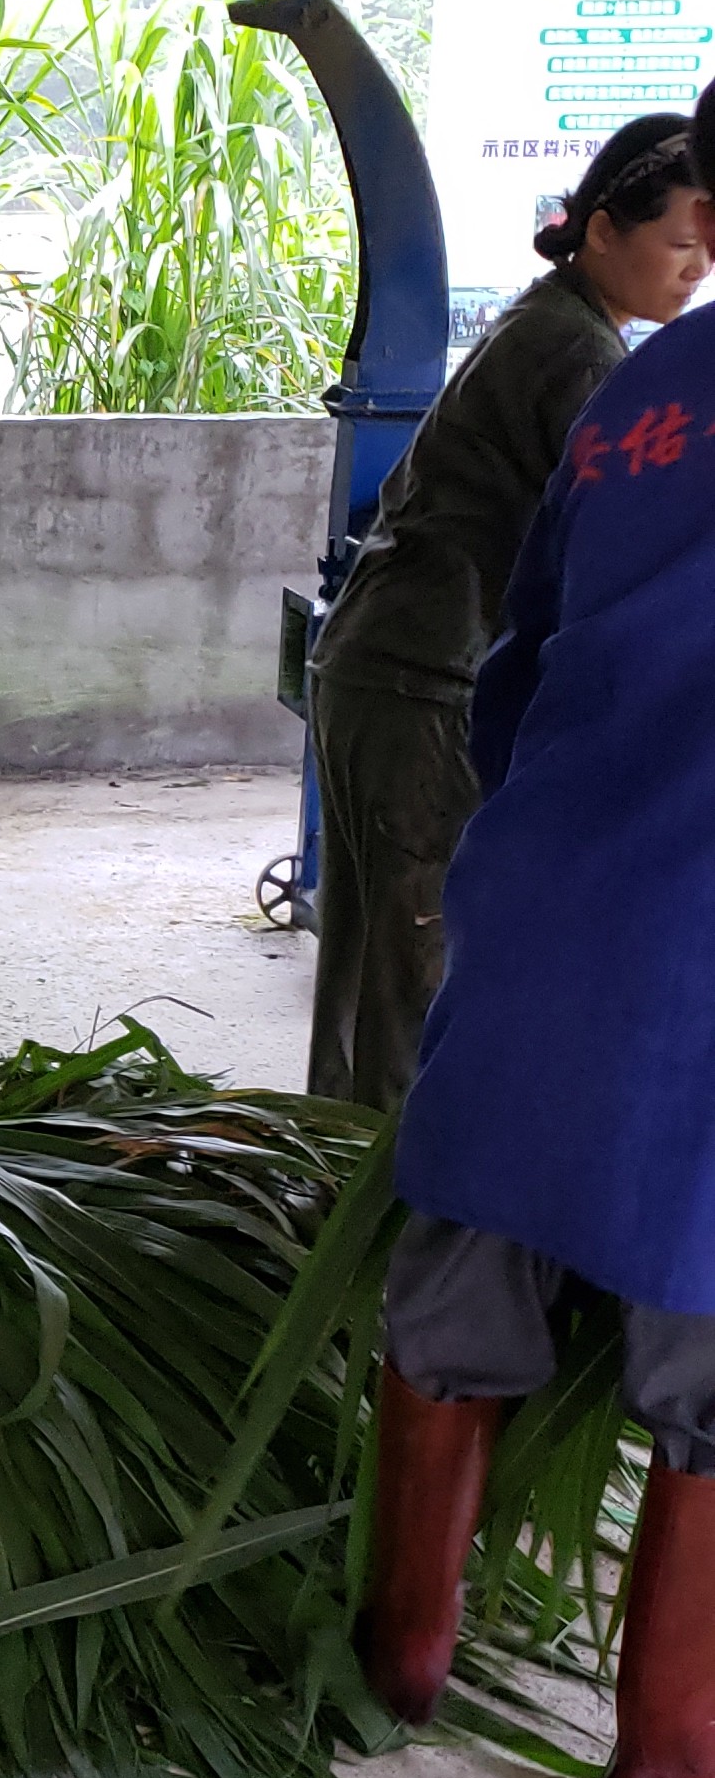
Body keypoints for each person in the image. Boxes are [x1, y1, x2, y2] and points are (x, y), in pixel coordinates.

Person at [357, 78, 715, 1778]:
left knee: (453, 1288)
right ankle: (668, 1766)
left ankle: (401, 1648)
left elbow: (519, 666)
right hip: (701, 948)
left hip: (548, 892)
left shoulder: (638, 394)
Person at [305, 110, 711, 1107]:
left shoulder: (549, 322)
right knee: (422, 975)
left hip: (373, 667)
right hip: (424, 681)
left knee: (366, 970)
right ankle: (388, 1236)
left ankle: (318, 1200)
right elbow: (620, 559)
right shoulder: (586, 364)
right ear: (604, 231)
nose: (696, 266)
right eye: (678, 242)